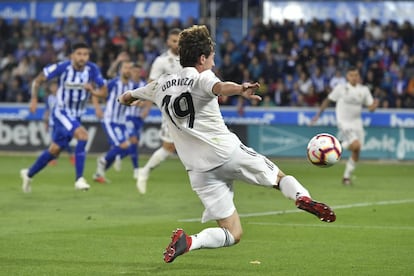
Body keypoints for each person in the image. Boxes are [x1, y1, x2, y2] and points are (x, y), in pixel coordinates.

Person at [118, 25, 336, 263]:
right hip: (227, 153)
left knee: (233, 232)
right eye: (212, 57)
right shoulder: (202, 77)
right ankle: (301, 197)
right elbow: (220, 87)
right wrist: (241, 89)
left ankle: (190, 241)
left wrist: (129, 98)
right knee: (279, 179)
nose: (213, 61)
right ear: (202, 58)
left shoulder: (159, 85)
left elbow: (127, 96)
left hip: (198, 171)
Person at [20, 42, 107, 193]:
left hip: (77, 115)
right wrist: (34, 99)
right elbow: (37, 80)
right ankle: (79, 179)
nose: (82, 57)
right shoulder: (62, 67)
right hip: (61, 112)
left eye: (85, 54)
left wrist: (93, 91)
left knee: (54, 150)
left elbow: (104, 92)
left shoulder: (92, 69)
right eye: (79, 54)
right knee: (83, 135)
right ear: (72, 55)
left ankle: (28, 174)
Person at [312, 66, 378, 185]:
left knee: (357, 150)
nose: (354, 77)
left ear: (358, 76)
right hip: (344, 122)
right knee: (356, 145)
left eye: (356, 75)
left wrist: (374, 106)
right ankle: (339, 145)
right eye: (351, 75)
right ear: (347, 76)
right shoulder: (341, 88)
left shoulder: (364, 90)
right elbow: (328, 100)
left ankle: (346, 176)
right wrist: (318, 115)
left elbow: (370, 108)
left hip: (357, 123)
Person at [136, 28, 182, 194]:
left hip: (193, 109)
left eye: (179, 40)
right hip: (171, 109)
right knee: (169, 147)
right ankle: (145, 171)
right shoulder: (161, 61)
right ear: (168, 43)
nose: (177, 44)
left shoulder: (191, 58)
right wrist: (144, 101)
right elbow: (151, 84)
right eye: (173, 41)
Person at [93, 61, 139, 183]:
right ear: (120, 70)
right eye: (125, 67)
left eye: (130, 67)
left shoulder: (132, 85)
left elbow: (133, 101)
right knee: (122, 146)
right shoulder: (114, 83)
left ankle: (99, 174)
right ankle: (103, 159)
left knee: (126, 149)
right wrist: (97, 108)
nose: (128, 70)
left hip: (121, 122)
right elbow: (97, 93)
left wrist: (136, 103)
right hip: (110, 120)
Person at [43, 81, 75, 166]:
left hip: (61, 123)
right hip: (52, 123)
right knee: (54, 141)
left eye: (55, 86)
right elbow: (47, 110)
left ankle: (71, 155)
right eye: (52, 86)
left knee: (64, 141)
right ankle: (53, 159)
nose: (54, 88)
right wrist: (45, 122)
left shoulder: (62, 97)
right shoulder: (49, 98)